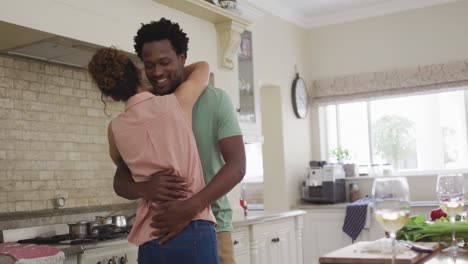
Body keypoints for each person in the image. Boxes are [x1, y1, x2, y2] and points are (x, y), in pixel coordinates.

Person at [113, 18, 246, 264]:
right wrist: (145, 188)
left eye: (165, 63)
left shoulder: (215, 100)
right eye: (149, 65)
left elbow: (237, 165)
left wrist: (190, 207)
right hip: (160, 231)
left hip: (214, 226)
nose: (157, 72)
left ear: (182, 58)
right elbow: (121, 180)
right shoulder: (142, 110)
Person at [88, 47, 219, 263]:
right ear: (139, 72)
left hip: (152, 232)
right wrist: (159, 79)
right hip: (194, 225)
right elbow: (202, 67)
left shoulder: (115, 129)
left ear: (110, 96)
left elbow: (123, 168)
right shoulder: (176, 102)